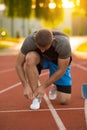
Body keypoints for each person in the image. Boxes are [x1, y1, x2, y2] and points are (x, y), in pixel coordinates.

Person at [16, 29, 72, 110]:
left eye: (45, 47)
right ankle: (36, 97)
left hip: (57, 62)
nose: (42, 50)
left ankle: (55, 84)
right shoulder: (30, 40)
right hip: (40, 59)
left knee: (64, 100)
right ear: (35, 40)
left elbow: (61, 69)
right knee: (30, 58)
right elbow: (18, 65)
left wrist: (43, 86)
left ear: (53, 41)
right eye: (40, 47)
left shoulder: (63, 43)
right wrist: (25, 85)